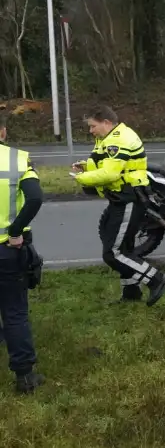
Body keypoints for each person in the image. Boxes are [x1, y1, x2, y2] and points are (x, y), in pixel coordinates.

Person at [72, 106, 165, 305]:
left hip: (129, 198)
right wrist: (87, 166)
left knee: (112, 254)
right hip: (121, 198)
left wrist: (82, 178)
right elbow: (107, 164)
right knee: (123, 247)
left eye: (93, 126)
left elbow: (111, 173)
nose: (90, 131)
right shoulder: (108, 138)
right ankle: (131, 293)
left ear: (106, 122)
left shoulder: (118, 139)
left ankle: (156, 279)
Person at [0, 112, 44, 393]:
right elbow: (35, 197)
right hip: (6, 249)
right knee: (14, 312)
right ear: (2, 132)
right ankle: (25, 377)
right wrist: (16, 230)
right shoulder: (17, 159)